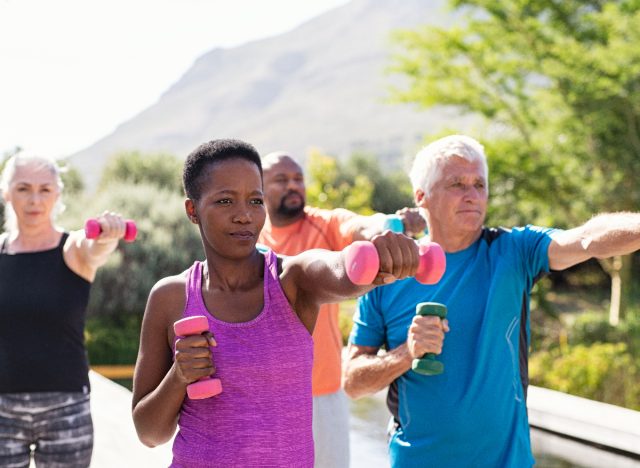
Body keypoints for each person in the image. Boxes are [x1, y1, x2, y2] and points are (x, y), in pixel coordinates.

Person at [343, 134, 640, 467]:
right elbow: (353, 382)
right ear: (421, 197)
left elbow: (587, 239)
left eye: (479, 185)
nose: (472, 196)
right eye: (457, 184)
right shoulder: (388, 274)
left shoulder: (514, 250)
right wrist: (405, 353)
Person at [131, 139, 421, 468]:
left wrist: (379, 260)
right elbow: (149, 433)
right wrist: (179, 376)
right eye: (225, 200)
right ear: (193, 210)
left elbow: (340, 271)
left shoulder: (292, 280)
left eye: (255, 200)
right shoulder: (170, 297)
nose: (244, 215)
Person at [258, 150, 426, 467]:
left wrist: (394, 224)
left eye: (298, 179)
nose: (293, 186)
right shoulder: (250, 235)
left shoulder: (325, 224)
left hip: (321, 392)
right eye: (281, 180)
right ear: (260, 188)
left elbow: (364, 225)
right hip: (262, 395)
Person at [0, 153, 129, 467]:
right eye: (23, 188)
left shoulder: (72, 249)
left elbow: (94, 246)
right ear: (6, 193)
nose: (34, 199)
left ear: (57, 194)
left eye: (45, 189)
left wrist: (107, 235)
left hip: (66, 408)